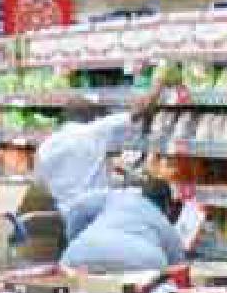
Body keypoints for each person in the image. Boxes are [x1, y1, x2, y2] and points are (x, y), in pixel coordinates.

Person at [36, 70, 173, 241]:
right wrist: (159, 82)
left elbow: (41, 184)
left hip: (68, 218)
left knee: (78, 253)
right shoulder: (95, 130)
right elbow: (141, 109)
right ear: (90, 117)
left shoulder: (45, 146)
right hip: (96, 214)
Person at [59, 176, 188, 272]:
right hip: (143, 262)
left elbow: (77, 209)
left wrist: (75, 240)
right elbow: (178, 267)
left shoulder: (116, 197)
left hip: (81, 253)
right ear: (167, 206)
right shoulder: (164, 224)